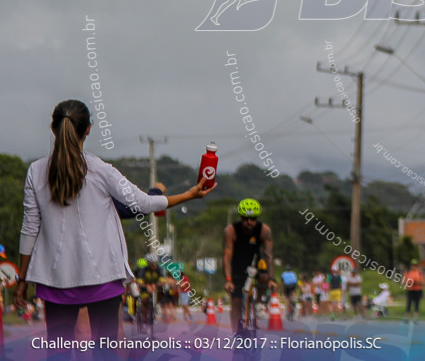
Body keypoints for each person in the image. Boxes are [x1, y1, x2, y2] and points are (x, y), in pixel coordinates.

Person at [14, 99, 214, 346]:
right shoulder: (100, 169)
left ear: (53, 128)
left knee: (59, 352)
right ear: (88, 129)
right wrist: (190, 194)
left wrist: (22, 280)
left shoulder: (35, 171)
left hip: (55, 281)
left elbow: (30, 229)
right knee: (106, 350)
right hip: (103, 278)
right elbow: (144, 203)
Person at [223, 197, 274, 333]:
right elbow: (226, 257)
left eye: (253, 219)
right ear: (241, 217)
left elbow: (269, 256)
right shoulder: (231, 231)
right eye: (246, 218)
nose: (249, 222)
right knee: (236, 300)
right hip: (237, 264)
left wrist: (272, 279)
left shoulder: (264, 230)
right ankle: (236, 333)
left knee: (264, 275)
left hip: (256, 260)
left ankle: (257, 303)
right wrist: (228, 280)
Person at [402, 259, 425, 324]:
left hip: (418, 290)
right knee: (408, 304)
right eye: (413, 265)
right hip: (410, 290)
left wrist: (416, 282)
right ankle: (406, 318)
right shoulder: (408, 272)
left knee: (417, 305)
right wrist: (410, 282)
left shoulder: (420, 273)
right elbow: (404, 281)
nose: (414, 266)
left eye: (415, 265)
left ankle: (415, 318)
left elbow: (423, 282)